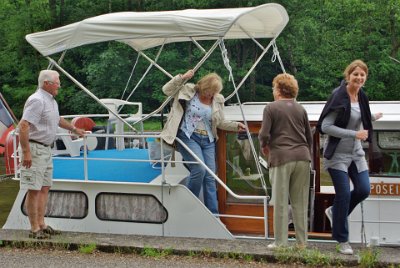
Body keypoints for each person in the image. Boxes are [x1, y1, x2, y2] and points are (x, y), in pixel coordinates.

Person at [317, 60, 383, 255]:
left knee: (363, 190)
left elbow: (358, 115)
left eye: (362, 75)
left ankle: (335, 213)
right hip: (337, 155)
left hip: (356, 153)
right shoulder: (338, 96)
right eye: (355, 74)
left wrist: (371, 117)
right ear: (348, 76)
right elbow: (326, 127)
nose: (359, 78)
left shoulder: (361, 95)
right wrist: (354, 134)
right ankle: (342, 239)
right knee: (344, 194)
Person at [161, 69, 246, 215]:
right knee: (199, 169)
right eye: (210, 91)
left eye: (215, 92)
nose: (212, 95)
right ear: (204, 87)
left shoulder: (218, 99)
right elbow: (166, 90)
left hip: (208, 140)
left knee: (210, 177)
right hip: (188, 136)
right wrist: (182, 77)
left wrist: (235, 125)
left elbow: (220, 122)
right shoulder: (188, 90)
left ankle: (213, 215)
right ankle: (188, 207)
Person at [18, 70, 86, 239]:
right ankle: (34, 229)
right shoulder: (37, 100)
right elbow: (24, 125)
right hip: (34, 149)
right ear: (47, 83)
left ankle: (42, 224)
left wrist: (75, 129)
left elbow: (57, 120)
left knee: (44, 188)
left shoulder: (50, 101)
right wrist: (26, 152)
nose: (59, 85)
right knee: (33, 189)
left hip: (45, 149)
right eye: (57, 82)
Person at [258, 73, 312, 249]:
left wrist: (264, 146)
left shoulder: (271, 108)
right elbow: (309, 136)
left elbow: (264, 134)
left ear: (279, 89)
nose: (273, 91)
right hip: (303, 158)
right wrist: (307, 153)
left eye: (274, 87)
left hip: (281, 157)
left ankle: (280, 243)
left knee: (280, 202)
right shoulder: (300, 108)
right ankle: (302, 243)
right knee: (300, 202)